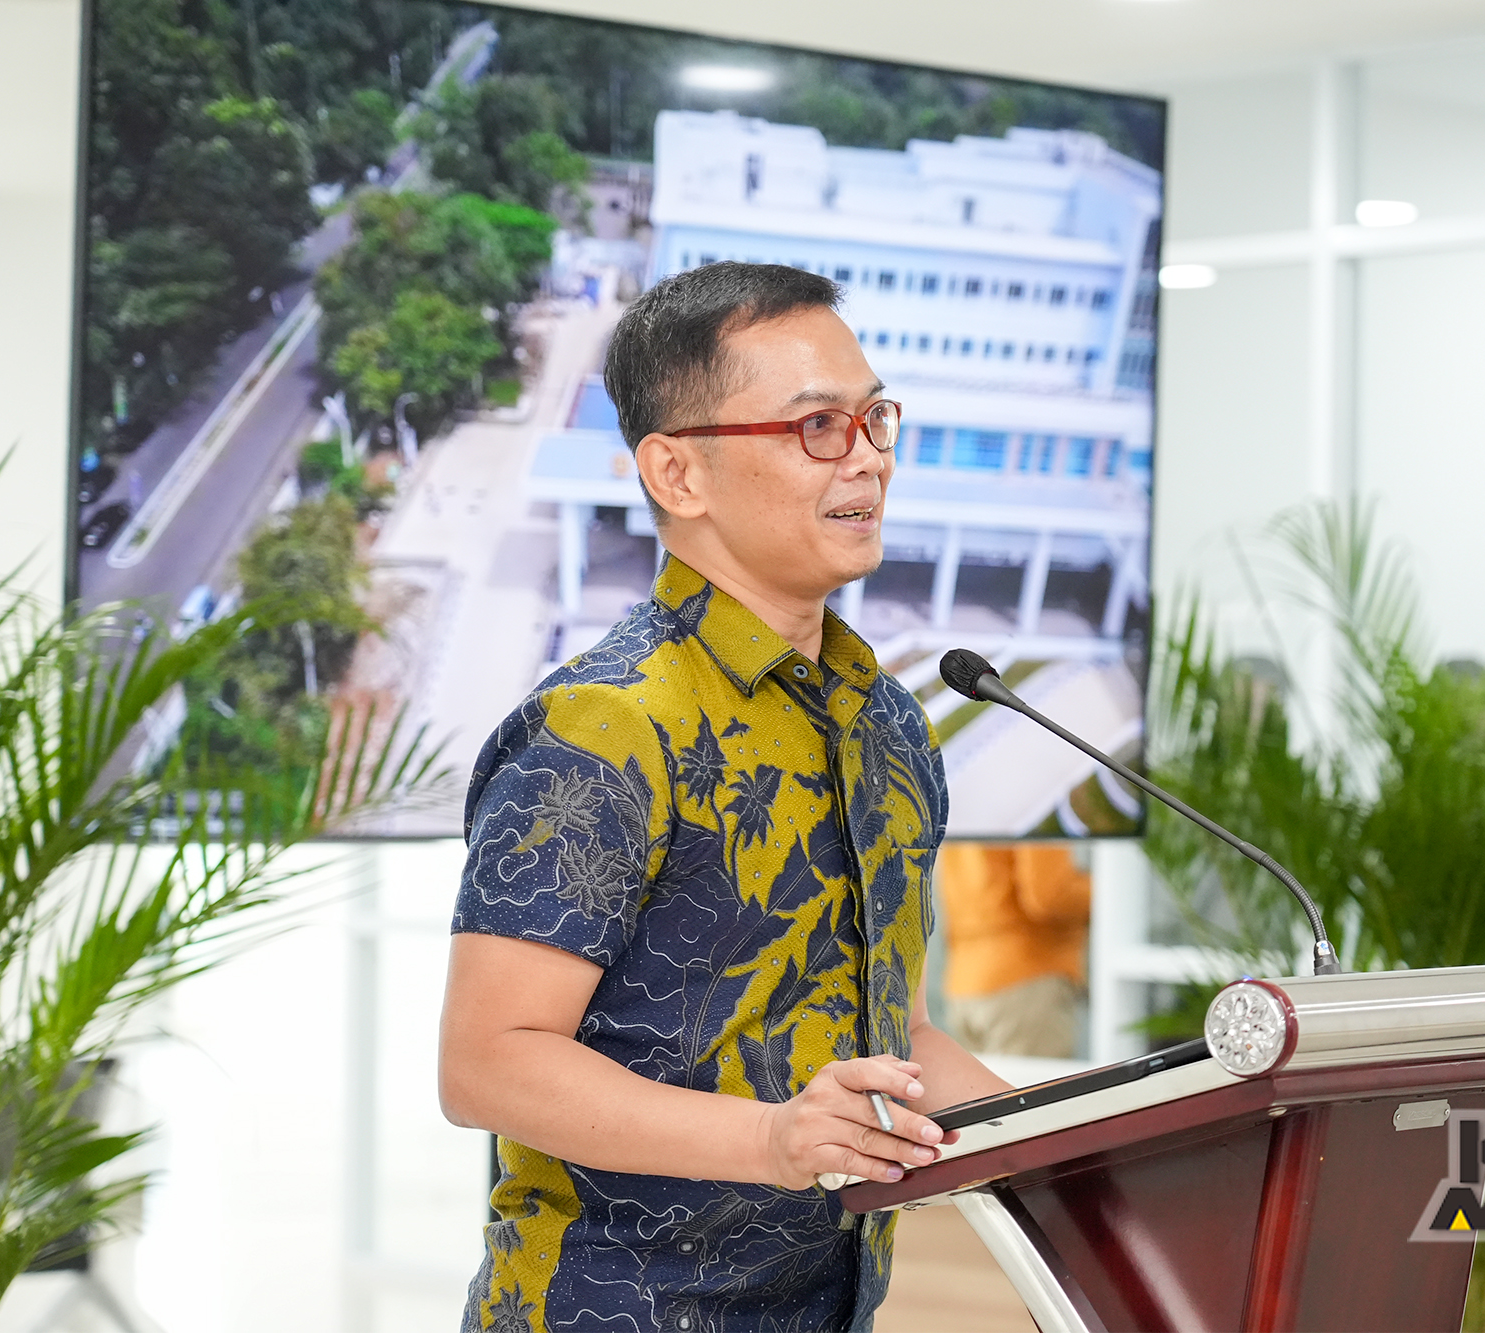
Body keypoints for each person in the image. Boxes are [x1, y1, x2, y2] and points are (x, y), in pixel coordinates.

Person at [439, 262, 1010, 1332]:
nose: (868, 457)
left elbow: (903, 1034)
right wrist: (771, 1140)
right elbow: (487, 1061)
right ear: (677, 472)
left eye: (875, 418)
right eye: (816, 426)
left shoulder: (889, 725)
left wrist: (1086, 1142)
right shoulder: (604, 726)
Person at [936, 843, 1091, 1058]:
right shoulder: (1032, 817)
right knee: (1038, 1080)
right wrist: (1111, 888)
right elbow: (1050, 895)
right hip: (1027, 977)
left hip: (964, 982)